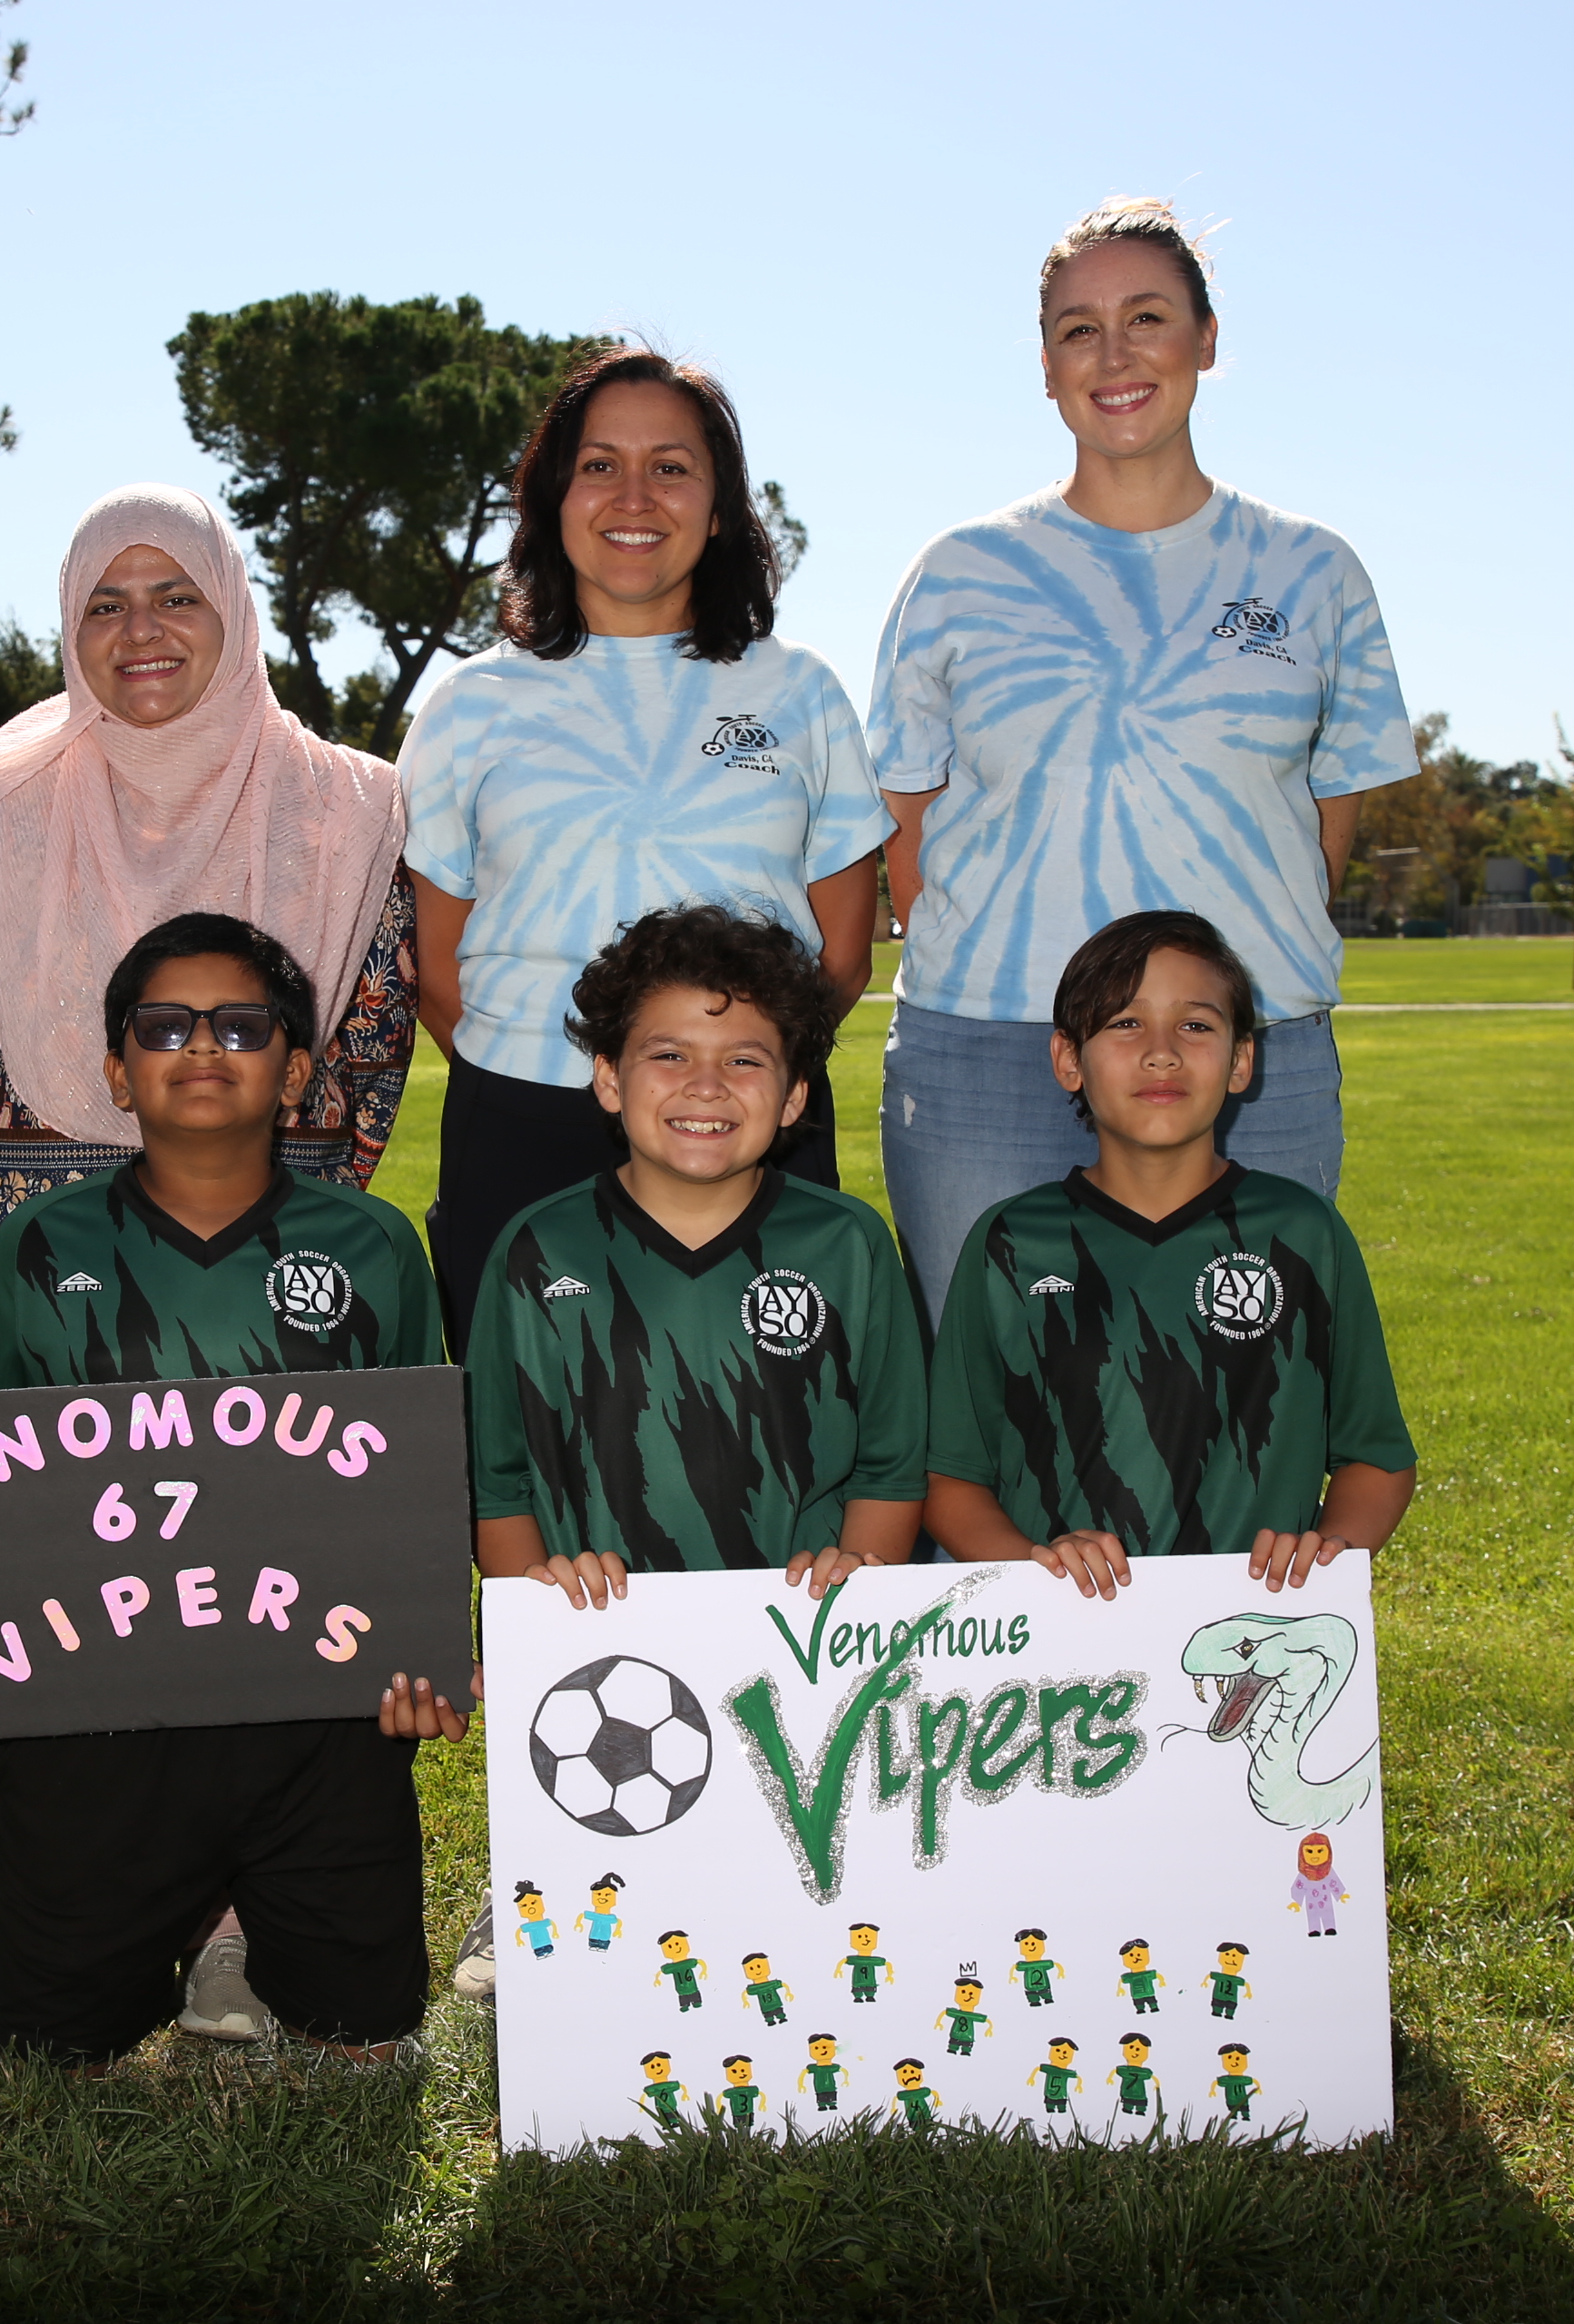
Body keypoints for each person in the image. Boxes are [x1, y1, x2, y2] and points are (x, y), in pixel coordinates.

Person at [0, 485, 418, 2042]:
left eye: (175, 593)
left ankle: (240, 1934)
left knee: (259, 1588)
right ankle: (10, 1919)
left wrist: (272, 1217)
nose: (142, 631)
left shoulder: (351, 805)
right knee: (38, 1590)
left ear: (233, 610)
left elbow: (366, 1036)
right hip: (32, 1244)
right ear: (69, 627)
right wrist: (27, 1209)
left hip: (262, 1251)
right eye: (104, 603)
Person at [0, 915, 465, 2065]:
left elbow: (411, 1486)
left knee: (364, 2027)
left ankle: (256, 1932)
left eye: (243, 1025)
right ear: (119, 1072)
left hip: (311, 1710)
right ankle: (116, 1929)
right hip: (101, 1703)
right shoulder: (41, 1242)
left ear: (297, 1070)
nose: (204, 1047)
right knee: (50, 2036)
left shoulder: (372, 1245)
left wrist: (420, 1656)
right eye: (165, 1026)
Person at [870, 196, 1418, 1321]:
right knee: (991, 1405)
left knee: (1239, 1400)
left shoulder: (1315, 572)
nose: (1114, 356)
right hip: (992, 1055)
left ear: (1207, 340)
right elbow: (905, 824)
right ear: (1046, 367)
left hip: (1248, 1060)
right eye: (1079, 329)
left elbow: (1325, 825)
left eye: (1148, 318)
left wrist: (1226, 985)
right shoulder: (960, 572)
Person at [449, 907, 922, 2002]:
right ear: (608, 1079)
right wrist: (538, 1613)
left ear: (795, 1096)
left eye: (745, 1060)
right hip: (603, 1644)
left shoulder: (847, 1244)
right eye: (668, 1054)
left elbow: (892, 1464)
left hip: (802, 1640)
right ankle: (537, 1864)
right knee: (609, 1852)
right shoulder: (538, 1248)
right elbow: (499, 1476)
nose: (706, 1084)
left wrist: (861, 1581)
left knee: (797, 1914)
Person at [402, 345, 892, 1348]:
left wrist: (725, 1078)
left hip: (747, 1128)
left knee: (770, 1421)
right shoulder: (467, 705)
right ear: (553, 498)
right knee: (528, 1427)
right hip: (523, 1128)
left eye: (671, 466)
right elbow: (437, 969)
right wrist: (568, 1082)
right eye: (600, 465)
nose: (635, 496)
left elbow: (842, 954)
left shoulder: (800, 691)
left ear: (719, 510)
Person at [921, 911, 1417, 1600]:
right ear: (1069, 1059)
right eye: (1125, 1023)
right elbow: (949, 1479)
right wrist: (1039, 1568)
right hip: (1069, 1641)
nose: (1162, 1053)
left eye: (1196, 1025)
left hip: (1249, 1624)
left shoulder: (1303, 1233)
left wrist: (1325, 1559)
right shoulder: (1011, 1243)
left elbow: (1377, 1457)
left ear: (1241, 1060)